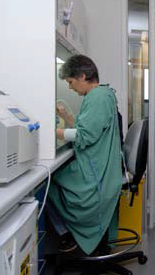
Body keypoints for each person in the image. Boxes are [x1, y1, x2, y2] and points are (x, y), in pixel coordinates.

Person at [49, 54, 123, 256]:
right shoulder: (102, 94)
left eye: (71, 82)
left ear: (82, 76)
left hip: (97, 174)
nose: (70, 88)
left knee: (49, 183)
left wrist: (51, 131)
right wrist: (66, 117)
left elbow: (84, 136)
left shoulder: (97, 97)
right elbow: (88, 129)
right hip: (101, 166)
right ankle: (69, 235)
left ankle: (67, 235)